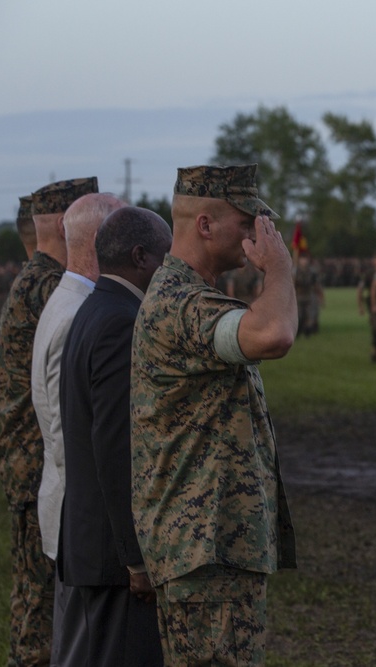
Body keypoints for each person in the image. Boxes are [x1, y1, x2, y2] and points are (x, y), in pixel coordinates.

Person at [130, 164, 297, 665]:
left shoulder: (189, 297)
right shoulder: (177, 303)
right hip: (204, 549)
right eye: (247, 224)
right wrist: (280, 268)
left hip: (210, 545)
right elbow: (274, 335)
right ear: (205, 226)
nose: (258, 235)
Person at [59, 207, 171, 666]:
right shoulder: (122, 322)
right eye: (166, 258)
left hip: (93, 542)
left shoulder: (94, 308)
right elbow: (116, 446)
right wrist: (137, 559)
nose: (171, 270)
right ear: (141, 257)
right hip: (114, 556)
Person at [0, 177, 97, 667]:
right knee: (40, 611)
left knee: (32, 601)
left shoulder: (32, 280)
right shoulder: (51, 286)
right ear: (63, 223)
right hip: (40, 461)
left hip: (26, 459)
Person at [31, 192, 124, 664]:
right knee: (84, 649)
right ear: (104, 240)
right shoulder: (78, 314)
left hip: (72, 511)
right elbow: (73, 435)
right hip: (82, 517)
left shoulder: (69, 299)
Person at [294, 251, 325, 336]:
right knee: (299, 316)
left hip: (309, 296)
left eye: (305, 259)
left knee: (310, 316)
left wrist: (321, 298)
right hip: (298, 296)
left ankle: (307, 332)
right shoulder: (294, 272)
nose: (304, 261)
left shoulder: (312, 272)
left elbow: (317, 286)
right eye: (302, 259)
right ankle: (298, 331)